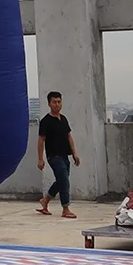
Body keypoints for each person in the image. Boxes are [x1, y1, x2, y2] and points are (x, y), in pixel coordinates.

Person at [36, 91, 80, 219]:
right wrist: (40, 159)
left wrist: (74, 153)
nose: (57, 104)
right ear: (49, 104)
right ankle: (65, 208)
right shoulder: (46, 121)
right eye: (54, 102)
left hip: (65, 156)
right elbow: (40, 141)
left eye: (59, 102)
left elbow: (69, 137)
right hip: (53, 156)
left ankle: (45, 201)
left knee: (61, 180)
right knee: (64, 181)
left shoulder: (63, 119)